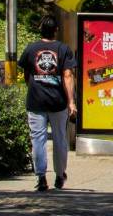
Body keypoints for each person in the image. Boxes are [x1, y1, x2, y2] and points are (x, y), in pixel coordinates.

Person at [17, 14, 76, 192]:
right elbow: (67, 75)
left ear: (40, 29)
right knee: (60, 138)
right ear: (56, 30)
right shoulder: (63, 49)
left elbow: (27, 74)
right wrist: (71, 102)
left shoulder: (31, 48)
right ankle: (60, 175)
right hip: (58, 102)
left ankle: (41, 177)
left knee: (38, 140)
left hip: (36, 101)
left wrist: (34, 87)